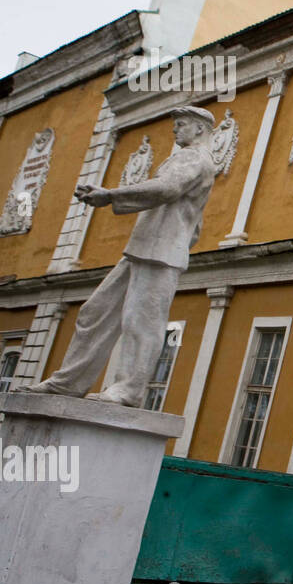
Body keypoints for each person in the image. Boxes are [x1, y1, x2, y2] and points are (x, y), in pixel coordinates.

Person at [25, 106, 218, 405]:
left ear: (199, 129)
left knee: (141, 322)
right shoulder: (192, 159)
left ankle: (128, 389)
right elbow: (195, 222)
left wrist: (111, 195)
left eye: (180, 124)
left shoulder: (194, 157)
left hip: (160, 252)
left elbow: (167, 188)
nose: (174, 130)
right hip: (146, 248)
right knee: (95, 312)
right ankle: (69, 383)